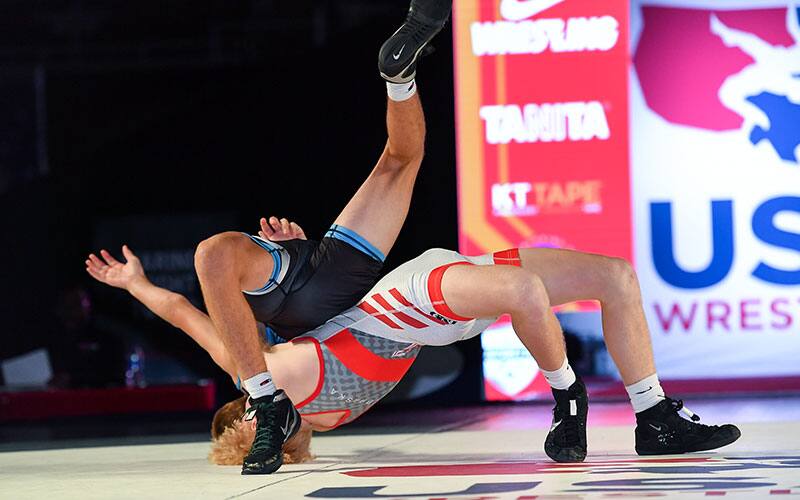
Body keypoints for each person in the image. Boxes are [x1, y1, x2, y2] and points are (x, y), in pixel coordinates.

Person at [86, 244, 741, 467]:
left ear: (240, 414)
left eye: (243, 425)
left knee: (614, 277)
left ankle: (640, 413)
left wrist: (138, 284)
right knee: (550, 286)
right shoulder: (320, 425)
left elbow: (190, 315)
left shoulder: (254, 372)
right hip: (428, 313)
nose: (254, 430)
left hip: (417, 298)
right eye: (252, 437)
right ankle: (606, 410)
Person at [189, 0, 453, 474]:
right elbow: (180, 312)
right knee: (397, 161)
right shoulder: (283, 383)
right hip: (324, 287)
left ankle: (400, 81)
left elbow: (182, 314)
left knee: (402, 163)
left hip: (335, 298)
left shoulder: (268, 378)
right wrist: (136, 284)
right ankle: (398, 78)